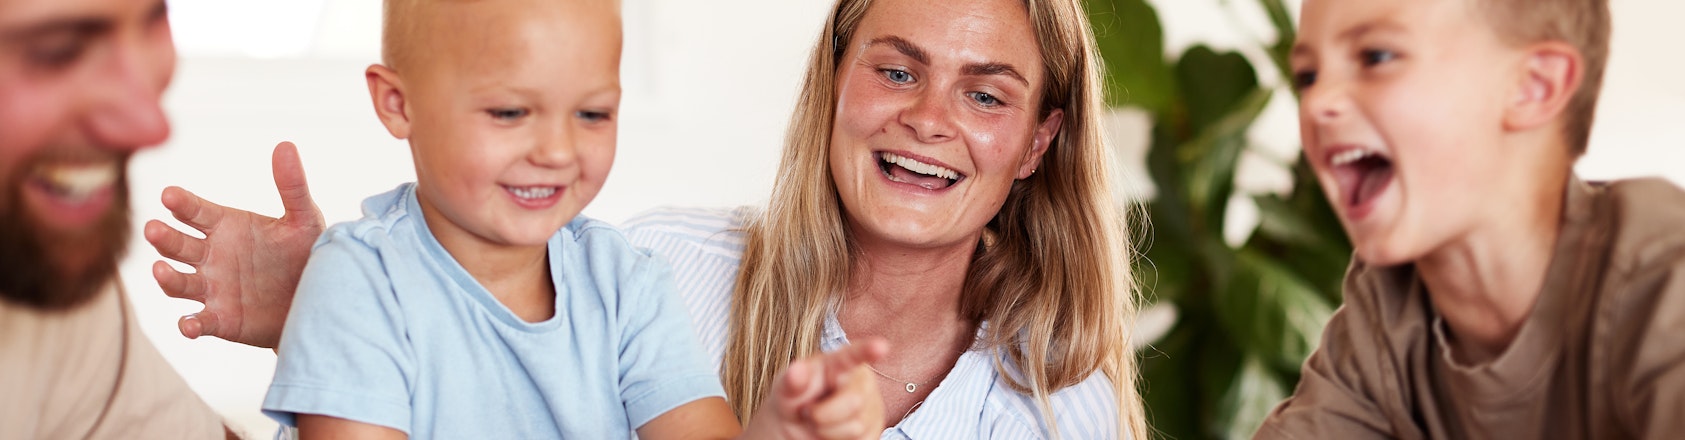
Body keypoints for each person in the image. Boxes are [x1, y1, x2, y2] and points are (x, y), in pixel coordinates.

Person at [148, 0, 1150, 437]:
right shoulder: (665, 264)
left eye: (985, 94)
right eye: (894, 69)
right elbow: (479, 321)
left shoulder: (1059, 405)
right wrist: (328, 299)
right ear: (833, 83)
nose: (926, 118)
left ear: (1037, 141)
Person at [253, 0, 886, 439]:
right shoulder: (360, 279)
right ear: (398, 104)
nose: (557, 152)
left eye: (591, 115)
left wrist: (781, 429)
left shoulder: (625, 282)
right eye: (509, 113)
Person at [1255, 0, 1685, 437]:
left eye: (1376, 57)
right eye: (1308, 76)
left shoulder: (1659, 273)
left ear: (1533, 86)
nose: (1317, 103)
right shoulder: (1388, 309)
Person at [0, 0, 235, 438]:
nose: (153, 125)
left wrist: (316, 330)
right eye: (59, 49)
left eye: (155, 15)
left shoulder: (34, 258)